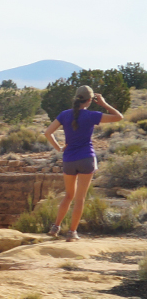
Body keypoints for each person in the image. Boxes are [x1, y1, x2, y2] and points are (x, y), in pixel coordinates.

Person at [43, 86, 123, 241]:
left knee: (68, 196)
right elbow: (119, 117)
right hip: (86, 158)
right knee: (80, 198)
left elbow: (47, 132)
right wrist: (104, 104)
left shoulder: (64, 114)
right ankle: (72, 233)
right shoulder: (91, 116)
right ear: (89, 100)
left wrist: (59, 148)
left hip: (69, 159)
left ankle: (55, 227)